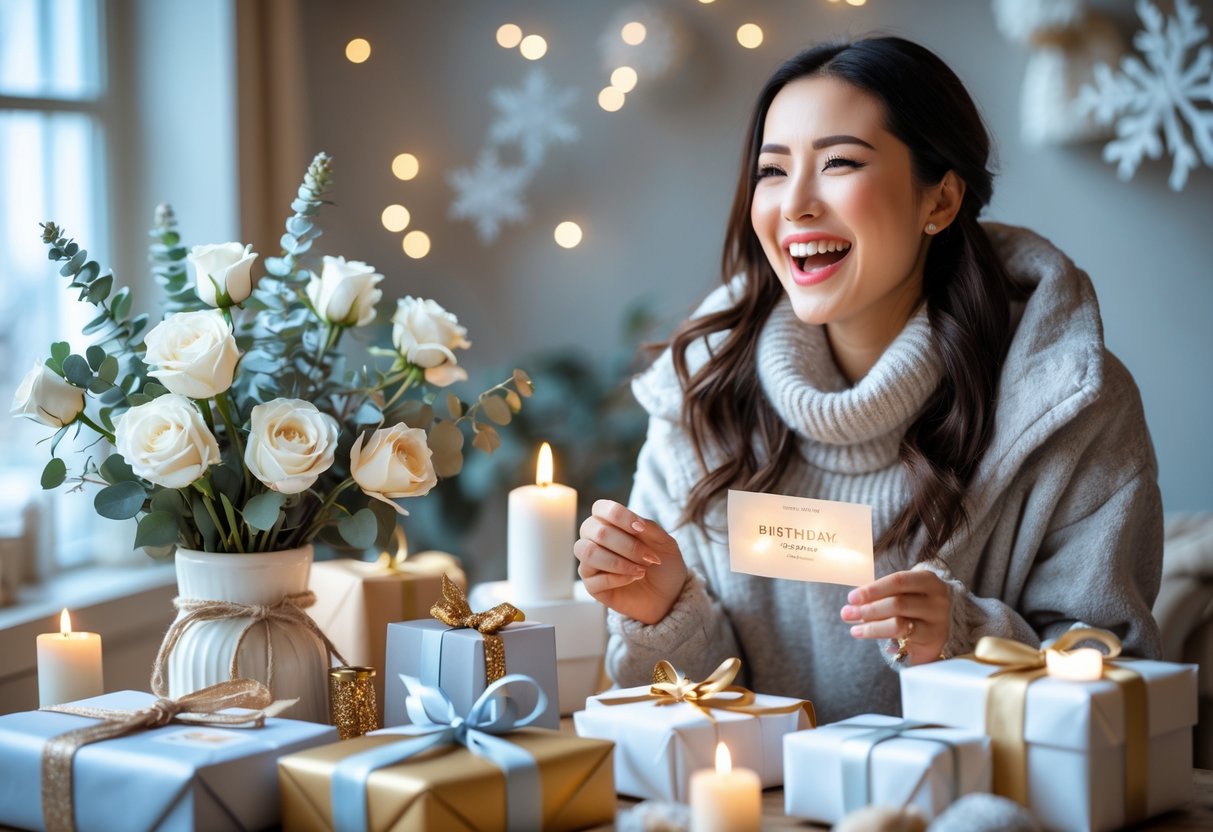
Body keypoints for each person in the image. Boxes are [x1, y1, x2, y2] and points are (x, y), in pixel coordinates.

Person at [573, 36, 1163, 723]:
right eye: (771, 171)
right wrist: (665, 610)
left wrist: (972, 639)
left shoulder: (1064, 404)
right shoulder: (701, 397)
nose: (794, 205)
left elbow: (1117, 681)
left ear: (939, 201)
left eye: (838, 163)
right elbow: (695, 713)